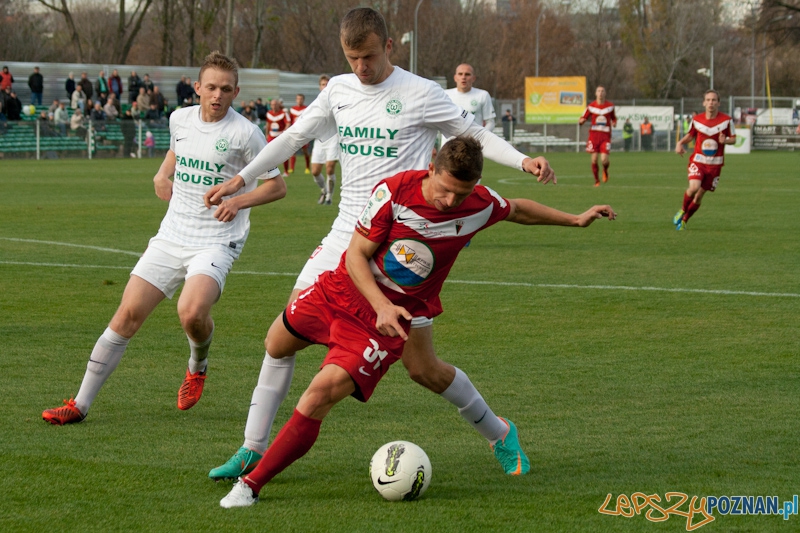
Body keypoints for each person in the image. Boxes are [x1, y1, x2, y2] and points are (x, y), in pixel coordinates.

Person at [204, 6, 556, 482]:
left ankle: (499, 432)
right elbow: (294, 137)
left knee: (423, 369)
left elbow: (471, 133)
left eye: (368, 57)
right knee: (281, 338)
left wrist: (521, 161)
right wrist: (240, 178)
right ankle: (252, 449)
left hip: (404, 247)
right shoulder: (340, 91)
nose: (361, 68)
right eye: (352, 59)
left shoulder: (420, 93)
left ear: (389, 46)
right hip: (345, 237)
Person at [217, 136, 616, 508]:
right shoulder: (394, 192)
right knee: (277, 345)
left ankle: (250, 486)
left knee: (319, 395)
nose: (449, 200)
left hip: (389, 320)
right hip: (340, 292)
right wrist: (381, 304)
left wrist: (575, 219)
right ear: (430, 167)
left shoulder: (477, 204)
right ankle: (252, 444)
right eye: (444, 189)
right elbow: (356, 256)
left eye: (460, 193)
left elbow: (517, 208)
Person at [41, 51, 286, 426]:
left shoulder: (246, 134)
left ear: (236, 92)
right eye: (210, 87)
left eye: (225, 89)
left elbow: (277, 187)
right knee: (126, 316)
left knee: (191, 313)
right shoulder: (179, 118)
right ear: (196, 87)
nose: (217, 95)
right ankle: (80, 404)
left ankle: (197, 363)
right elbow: (177, 150)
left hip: (216, 240)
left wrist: (238, 201)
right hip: (172, 234)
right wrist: (161, 175)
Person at [672, 89, 735, 231]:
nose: (711, 103)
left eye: (713, 100)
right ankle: (682, 210)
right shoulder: (697, 120)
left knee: (699, 195)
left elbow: (734, 139)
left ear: (718, 103)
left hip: (715, 165)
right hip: (698, 161)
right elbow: (690, 135)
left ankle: (685, 220)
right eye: (708, 100)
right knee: (694, 187)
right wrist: (680, 143)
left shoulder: (726, 121)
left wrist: (725, 141)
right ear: (703, 103)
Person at [309, 75, 339, 205]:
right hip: (320, 140)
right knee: (315, 171)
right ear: (319, 87)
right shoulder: (316, 103)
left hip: (334, 139)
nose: (325, 86)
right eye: (322, 84)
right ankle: (324, 190)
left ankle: (329, 197)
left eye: (327, 84)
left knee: (329, 168)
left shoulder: (338, 101)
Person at [444, 64, 496, 137]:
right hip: (449, 144)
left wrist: (481, 137)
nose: (463, 77)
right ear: (455, 78)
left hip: (473, 144)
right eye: (460, 74)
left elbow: (490, 122)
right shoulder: (445, 94)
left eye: (467, 74)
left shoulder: (483, 95)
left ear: (473, 78)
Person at [578, 86, 616, 186]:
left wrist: (614, 123)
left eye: (602, 91)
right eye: (598, 91)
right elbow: (583, 117)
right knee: (594, 159)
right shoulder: (591, 106)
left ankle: (605, 170)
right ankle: (597, 181)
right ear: (595, 93)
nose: (600, 93)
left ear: (605, 93)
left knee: (604, 159)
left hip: (605, 136)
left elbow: (614, 118)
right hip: (594, 136)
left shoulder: (610, 106)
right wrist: (581, 121)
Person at [264, 98, 291, 177]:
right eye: (272, 105)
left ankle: (286, 171)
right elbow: (268, 124)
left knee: (284, 154)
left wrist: (284, 132)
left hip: (280, 136)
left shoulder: (283, 113)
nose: (274, 106)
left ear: (279, 105)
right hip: (271, 136)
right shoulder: (269, 113)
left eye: (275, 104)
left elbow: (288, 123)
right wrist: (267, 134)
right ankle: (270, 170)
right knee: (268, 153)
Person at [288, 94, 311, 174]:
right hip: (295, 132)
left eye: (301, 99)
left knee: (305, 151)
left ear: (303, 100)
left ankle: (307, 167)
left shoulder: (306, 109)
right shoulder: (292, 109)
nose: (299, 100)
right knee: (292, 151)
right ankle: (291, 168)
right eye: (298, 99)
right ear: (296, 100)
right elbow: (290, 121)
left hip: (303, 132)